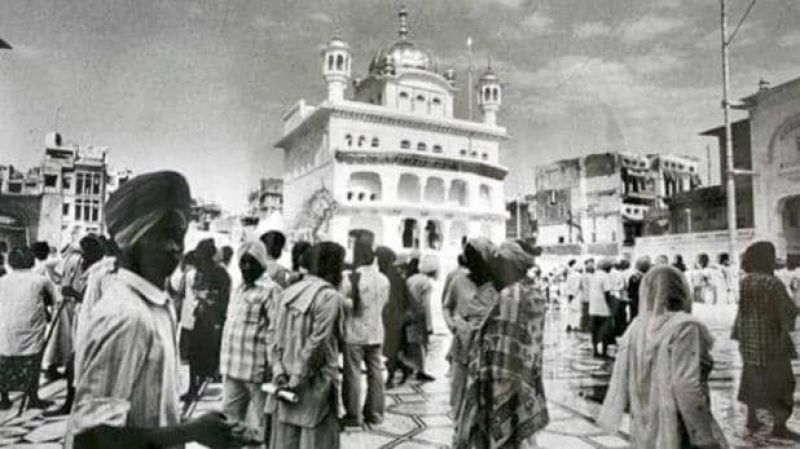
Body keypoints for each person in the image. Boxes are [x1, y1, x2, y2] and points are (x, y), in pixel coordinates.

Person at [66, 171, 241, 449]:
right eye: (160, 235)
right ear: (127, 241)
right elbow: (91, 440)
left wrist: (193, 428)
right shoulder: (127, 315)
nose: (174, 247)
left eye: (179, 235)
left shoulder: (159, 305)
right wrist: (190, 432)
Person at [598, 265, 727, 449]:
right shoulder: (685, 326)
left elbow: (622, 375)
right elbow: (686, 385)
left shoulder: (638, 326)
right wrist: (704, 436)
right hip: (678, 420)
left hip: (645, 417)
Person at [453, 241, 549, 449]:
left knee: (500, 434)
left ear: (511, 266)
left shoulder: (509, 295)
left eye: (500, 263)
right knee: (518, 434)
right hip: (525, 372)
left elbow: (495, 337)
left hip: (500, 374)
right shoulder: (535, 292)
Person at [268, 241, 345, 449]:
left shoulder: (288, 292)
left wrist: (278, 371)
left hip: (284, 382)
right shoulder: (329, 296)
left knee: (286, 441)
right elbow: (317, 343)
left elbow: (272, 336)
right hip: (314, 384)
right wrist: (298, 377)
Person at [732, 241, 800, 439]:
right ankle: (779, 426)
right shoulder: (773, 283)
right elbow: (787, 311)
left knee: (752, 378)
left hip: (750, 340)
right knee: (783, 382)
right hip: (772, 341)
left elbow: (741, 312)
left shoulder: (746, 281)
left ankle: (752, 419)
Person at [219, 239, 281, 442]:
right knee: (229, 423)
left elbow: (276, 331)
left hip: (257, 372)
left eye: (251, 262)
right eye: (242, 262)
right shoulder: (238, 289)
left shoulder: (271, 290)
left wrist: (275, 367)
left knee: (266, 425)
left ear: (262, 263)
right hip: (232, 367)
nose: (246, 267)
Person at [442, 237, 497, 411]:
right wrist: (453, 325)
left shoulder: (497, 286)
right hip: (462, 344)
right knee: (460, 391)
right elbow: (447, 306)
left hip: (488, 347)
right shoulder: (458, 281)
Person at [340, 238, 390, 426]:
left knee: (352, 373)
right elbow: (384, 304)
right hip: (376, 330)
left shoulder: (350, 278)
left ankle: (353, 415)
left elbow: (344, 305)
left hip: (354, 332)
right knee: (375, 372)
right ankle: (375, 413)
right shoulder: (384, 279)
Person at [0, 247, 55, 410]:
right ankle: (33, 397)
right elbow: (52, 300)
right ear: (31, 261)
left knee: (4, 361)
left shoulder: (2, 280)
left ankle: (4, 398)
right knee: (33, 360)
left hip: (6, 326)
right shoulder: (40, 280)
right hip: (31, 326)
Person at [183, 238, 231, 401]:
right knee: (194, 354)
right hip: (201, 317)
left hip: (213, 320)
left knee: (208, 356)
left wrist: (208, 297)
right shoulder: (202, 271)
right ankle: (192, 388)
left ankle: (203, 388)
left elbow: (224, 298)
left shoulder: (220, 273)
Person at [376, 246, 411, 388]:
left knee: (391, 349)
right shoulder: (391, 274)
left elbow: (399, 298)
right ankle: (403, 368)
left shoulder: (391, 276)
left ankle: (390, 378)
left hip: (393, 317)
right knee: (391, 349)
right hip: (390, 316)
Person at [403, 254, 438, 382]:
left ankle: (410, 367)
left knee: (412, 343)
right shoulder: (426, 283)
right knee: (422, 344)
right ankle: (421, 371)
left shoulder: (411, 279)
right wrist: (429, 325)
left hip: (408, 314)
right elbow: (426, 305)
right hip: (419, 317)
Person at [588, 259, 613, 358]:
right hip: (603, 307)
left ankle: (595, 350)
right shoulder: (605, 276)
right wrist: (610, 304)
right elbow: (607, 292)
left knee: (594, 330)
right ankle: (604, 351)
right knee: (604, 330)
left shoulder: (593, 275)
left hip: (593, 307)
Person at [626, 256, 651, 321]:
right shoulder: (650, 277)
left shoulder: (634, 278)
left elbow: (630, 293)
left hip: (635, 302)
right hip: (647, 303)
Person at [564, 260, 583, 332]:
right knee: (577, 311)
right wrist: (574, 294)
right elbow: (578, 286)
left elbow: (567, 286)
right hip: (577, 295)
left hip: (570, 295)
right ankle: (575, 325)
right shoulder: (579, 275)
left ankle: (569, 324)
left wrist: (569, 295)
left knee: (570, 311)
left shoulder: (569, 275)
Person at [579, 258, 594, 332]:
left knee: (584, 312)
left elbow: (580, 286)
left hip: (584, 296)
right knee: (590, 313)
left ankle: (583, 326)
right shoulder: (593, 277)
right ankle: (589, 327)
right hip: (592, 297)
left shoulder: (582, 276)